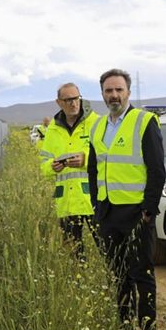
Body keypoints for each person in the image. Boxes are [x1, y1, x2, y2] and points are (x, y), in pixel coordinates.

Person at [87, 68, 166, 330]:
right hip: (108, 213)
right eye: (109, 90)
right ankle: (124, 329)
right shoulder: (97, 126)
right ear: (102, 94)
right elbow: (93, 169)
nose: (114, 95)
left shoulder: (144, 122)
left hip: (136, 214)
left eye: (119, 90)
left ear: (128, 92)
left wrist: (148, 211)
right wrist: (96, 206)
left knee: (141, 275)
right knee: (118, 275)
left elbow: (157, 170)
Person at [39, 82, 99, 257]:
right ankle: (77, 283)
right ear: (59, 102)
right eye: (68, 100)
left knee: (107, 249)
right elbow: (43, 164)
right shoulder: (53, 129)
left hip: (94, 200)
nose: (73, 103)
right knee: (73, 254)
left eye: (76, 98)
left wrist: (86, 159)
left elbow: (108, 156)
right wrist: (52, 166)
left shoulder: (97, 122)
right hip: (66, 202)